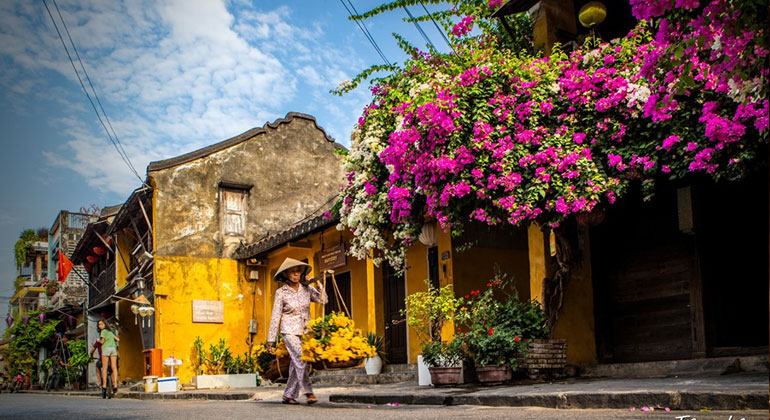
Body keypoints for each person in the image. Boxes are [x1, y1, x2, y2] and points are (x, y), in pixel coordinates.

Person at [266, 258, 327, 405]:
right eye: (292, 272)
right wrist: (271, 340)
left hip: (304, 331)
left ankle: (288, 395)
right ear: (286, 275)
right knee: (301, 358)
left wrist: (317, 283)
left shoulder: (306, 289)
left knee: (296, 363)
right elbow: (276, 315)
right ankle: (308, 392)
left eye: (298, 271)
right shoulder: (281, 292)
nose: (296, 274)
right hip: (288, 331)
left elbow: (323, 300)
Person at [98, 320, 119, 398]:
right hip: (113, 349)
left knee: (104, 367)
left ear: (104, 324)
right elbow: (117, 339)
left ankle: (104, 385)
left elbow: (102, 342)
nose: (100, 326)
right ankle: (115, 385)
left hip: (106, 349)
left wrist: (98, 341)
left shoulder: (103, 332)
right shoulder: (110, 332)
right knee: (114, 367)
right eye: (99, 325)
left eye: (101, 324)